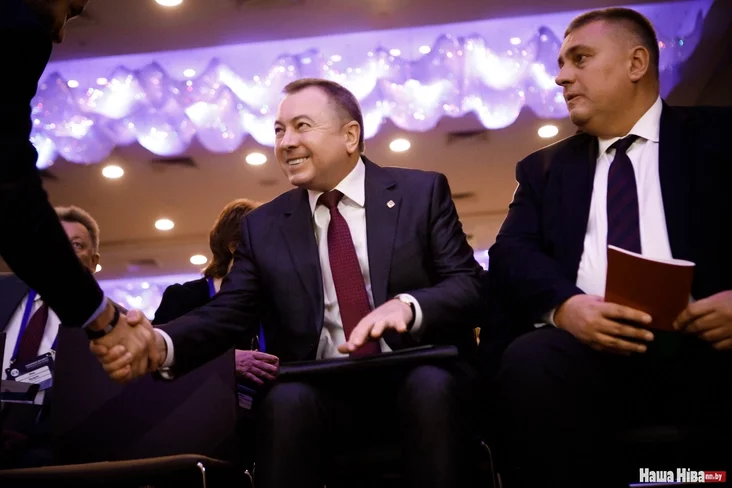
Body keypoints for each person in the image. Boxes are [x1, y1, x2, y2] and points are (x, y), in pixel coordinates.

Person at [94, 78, 484, 488]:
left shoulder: (420, 193)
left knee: (431, 387)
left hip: (416, 370)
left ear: (350, 136)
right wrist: (160, 343)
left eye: (302, 126)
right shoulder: (263, 226)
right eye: (279, 131)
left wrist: (408, 305)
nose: (286, 143)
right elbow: (227, 312)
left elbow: (470, 285)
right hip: (322, 386)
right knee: (285, 401)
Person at [481, 7, 732, 487]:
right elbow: (512, 252)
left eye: (579, 59)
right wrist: (565, 307)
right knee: (530, 360)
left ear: (637, 63)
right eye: (560, 64)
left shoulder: (719, 138)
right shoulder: (542, 170)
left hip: (707, 345)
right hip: (589, 352)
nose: (561, 77)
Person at [0, 0, 157, 377]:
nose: (59, 35)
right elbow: (9, 193)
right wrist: (102, 319)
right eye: (70, 11)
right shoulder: (16, 29)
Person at [1, 205, 102, 468]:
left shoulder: (108, 324)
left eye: (76, 245)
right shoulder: (2, 290)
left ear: (93, 262)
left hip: (51, 456)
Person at [152, 198, 279, 386]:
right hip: (200, 400)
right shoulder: (182, 297)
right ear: (233, 246)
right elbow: (157, 364)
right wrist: (224, 362)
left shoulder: (276, 300)